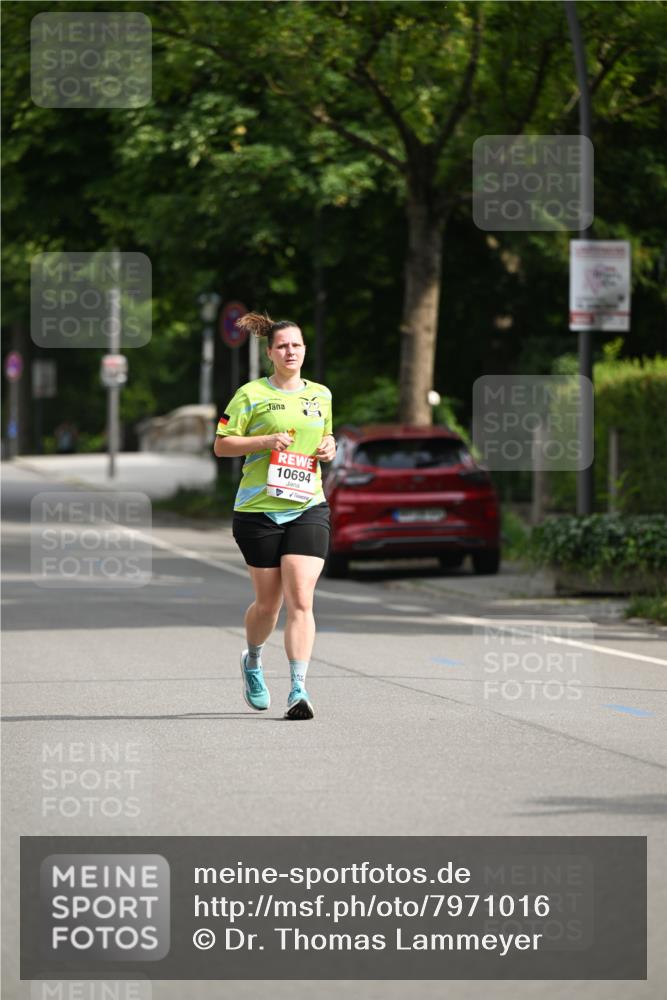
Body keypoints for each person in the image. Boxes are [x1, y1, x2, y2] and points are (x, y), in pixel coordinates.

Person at [213, 312, 336, 720]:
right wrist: (264, 440)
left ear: (305, 350)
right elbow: (222, 446)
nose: (290, 351)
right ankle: (252, 659)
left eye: (297, 345)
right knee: (269, 606)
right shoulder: (249, 395)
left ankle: (299, 689)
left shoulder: (320, 395)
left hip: (307, 505)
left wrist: (329, 447)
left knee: (301, 598)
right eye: (282, 346)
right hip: (259, 509)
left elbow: (325, 435)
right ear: (270, 352)